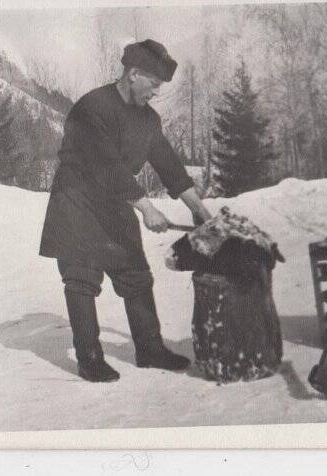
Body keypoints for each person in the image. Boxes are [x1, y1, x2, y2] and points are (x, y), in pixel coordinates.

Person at [39, 39, 213, 383]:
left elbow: (168, 163)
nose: (156, 93)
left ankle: (150, 350)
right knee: (82, 278)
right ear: (133, 74)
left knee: (135, 274)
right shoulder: (92, 108)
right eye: (153, 84)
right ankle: (89, 359)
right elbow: (107, 165)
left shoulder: (148, 120)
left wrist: (198, 209)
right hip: (77, 201)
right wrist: (146, 208)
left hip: (116, 202)